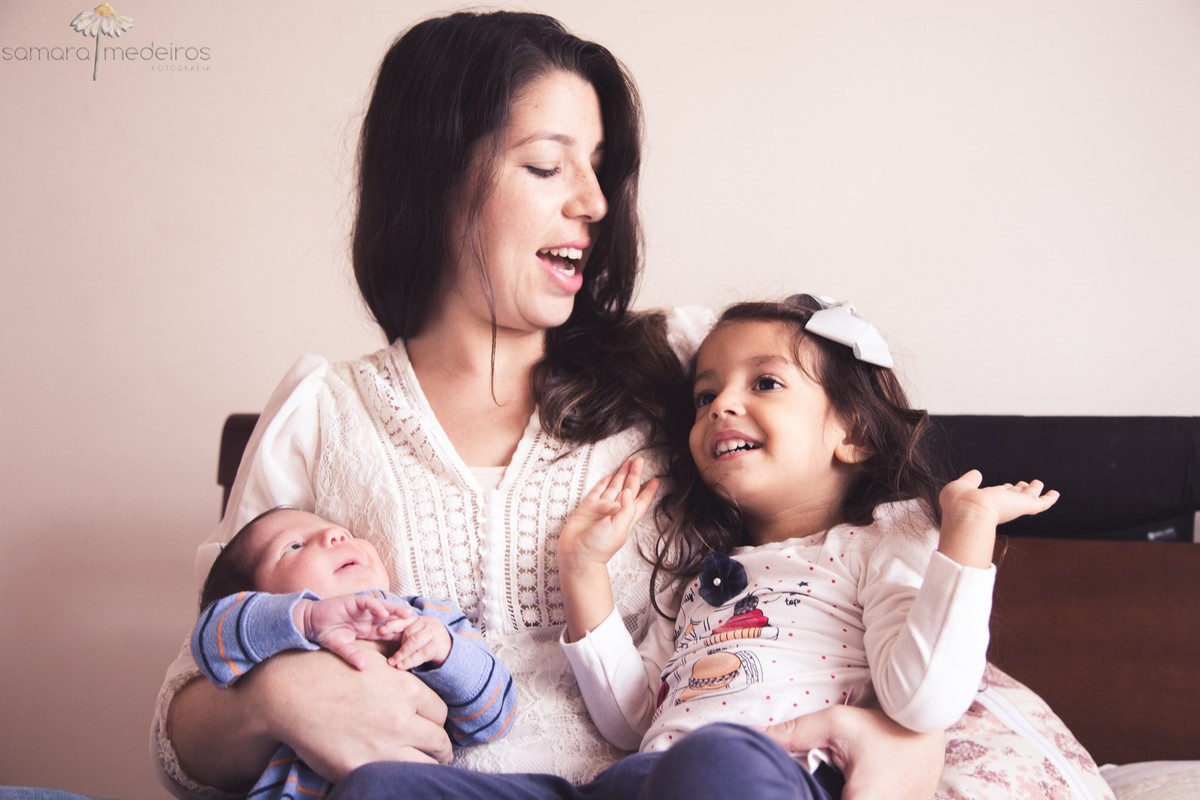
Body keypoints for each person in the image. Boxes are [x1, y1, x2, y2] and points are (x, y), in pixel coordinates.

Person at [151, 10, 952, 800]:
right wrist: (279, 700)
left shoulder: (687, 366)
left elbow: (867, 536)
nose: (594, 203)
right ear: (434, 178)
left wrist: (911, 733)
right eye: (546, 167)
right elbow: (182, 726)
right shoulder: (321, 416)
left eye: (598, 166)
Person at [553, 294, 1062, 798]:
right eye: (705, 396)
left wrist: (968, 530)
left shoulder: (883, 539)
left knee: (712, 762)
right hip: (649, 781)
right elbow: (631, 719)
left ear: (855, 433)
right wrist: (583, 567)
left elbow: (924, 702)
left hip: (780, 775)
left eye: (766, 383)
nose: (721, 406)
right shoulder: (697, 571)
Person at [190, 506, 516, 800]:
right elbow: (209, 637)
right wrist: (305, 618)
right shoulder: (278, 635)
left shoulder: (426, 617)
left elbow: (495, 715)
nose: (335, 534)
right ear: (259, 600)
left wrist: (445, 651)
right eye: (294, 546)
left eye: (340, 530)